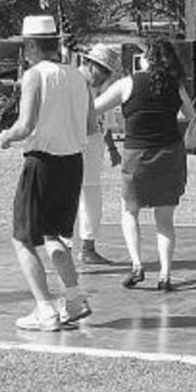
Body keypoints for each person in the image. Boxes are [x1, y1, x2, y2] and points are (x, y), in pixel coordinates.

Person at [0, 15, 96, 332]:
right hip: (72, 163)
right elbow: (92, 125)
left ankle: (45, 309)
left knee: (22, 239)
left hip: (43, 162)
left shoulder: (34, 75)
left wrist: (5, 136)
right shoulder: (79, 77)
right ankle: (75, 298)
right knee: (54, 235)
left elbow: (25, 125)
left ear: (30, 45)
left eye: (24, 46)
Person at [94, 37, 195, 291]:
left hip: (137, 155)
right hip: (169, 154)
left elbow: (94, 108)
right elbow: (191, 115)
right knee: (165, 218)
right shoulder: (175, 85)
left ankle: (137, 265)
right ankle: (165, 274)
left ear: (148, 58)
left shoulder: (128, 84)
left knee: (129, 211)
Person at [75, 43, 123, 265]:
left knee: (92, 197)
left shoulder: (102, 88)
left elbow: (104, 121)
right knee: (78, 197)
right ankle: (69, 245)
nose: (103, 76)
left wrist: (112, 148)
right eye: (101, 70)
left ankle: (88, 246)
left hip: (93, 149)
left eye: (107, 72)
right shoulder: (74, 83)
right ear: (89, 64)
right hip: (74, 147)